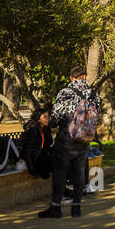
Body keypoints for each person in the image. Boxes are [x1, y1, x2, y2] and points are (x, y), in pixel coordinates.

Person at [38, 65, 101, 219]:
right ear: (84, 77)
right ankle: (76, 208)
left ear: (71, 78)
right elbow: (98, 114)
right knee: (79, 172)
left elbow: (57, 115)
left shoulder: (65, 92)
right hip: (85, 139)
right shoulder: (94, 94)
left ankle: (56, 207)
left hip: (67, 138)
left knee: (60, 171)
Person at [19, 102, 54, 179]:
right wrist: (31, 169)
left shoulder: (44, 129)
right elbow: (27, 150)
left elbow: (48, 144)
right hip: (34, 159)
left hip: (41, 156)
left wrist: (48, 131)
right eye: (45, 117)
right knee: (47, 173)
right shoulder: (33, 129)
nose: (47, 119)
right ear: (38, 119)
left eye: (48, 117)